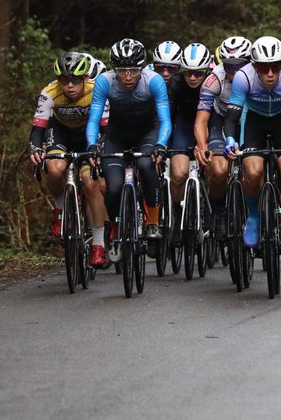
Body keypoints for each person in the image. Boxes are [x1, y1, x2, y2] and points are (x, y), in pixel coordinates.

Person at [222, 36, 281, 262]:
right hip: (254, 122)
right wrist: (231, 141)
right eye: (264, 67)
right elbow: (231, 119)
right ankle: (253, 216)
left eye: (275, 67)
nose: (270, 73)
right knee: (252, 172)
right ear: (254, 66)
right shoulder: (243, 77)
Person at [86, 39, 172, 257]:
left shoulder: (153, 81)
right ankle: (115, 232)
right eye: (122, 70)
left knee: (146, 164)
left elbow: (165, 119)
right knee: (113, 187)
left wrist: (161, 144)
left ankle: (152, 222)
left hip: (147, 133)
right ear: (114, 69)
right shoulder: (105, 82)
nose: (127, 76)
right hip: (117, 136)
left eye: (133, 70)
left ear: (142, 68)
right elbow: (94, 119)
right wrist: (92, 145)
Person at [28, 51, 109, 265]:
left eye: (75, 80)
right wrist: (35, 148)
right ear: (58, 80)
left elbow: (105, 128)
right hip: (61, 132)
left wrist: (98, 148)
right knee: (54, 169)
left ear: (85, 79)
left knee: (91, 183)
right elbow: (38, 128)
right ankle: (61, 207)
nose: (70, 85)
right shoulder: (49, 92)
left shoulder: (97, 90)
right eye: (64, 80)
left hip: (89, 135)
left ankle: (98, 244)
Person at [194, 36, 251, 240]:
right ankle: (218, 210)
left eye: (240, 66)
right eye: (228, 66)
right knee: (218, 170)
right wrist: (202, 147)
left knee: (256, 170)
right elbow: (201, 119)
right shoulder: (214, 79)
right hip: (220, 120)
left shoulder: (258, 75)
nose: (234, 72)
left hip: (249, 120)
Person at [167, 43, 212, 215]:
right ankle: (177, 214)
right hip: (184, 127)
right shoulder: (176, 82)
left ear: (207, 71)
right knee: (178, 174)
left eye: (198, 73)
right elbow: (169, 117)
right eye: (188, 73)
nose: (192, 78)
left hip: (209, 125)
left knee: (215, 170)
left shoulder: (213, 81)